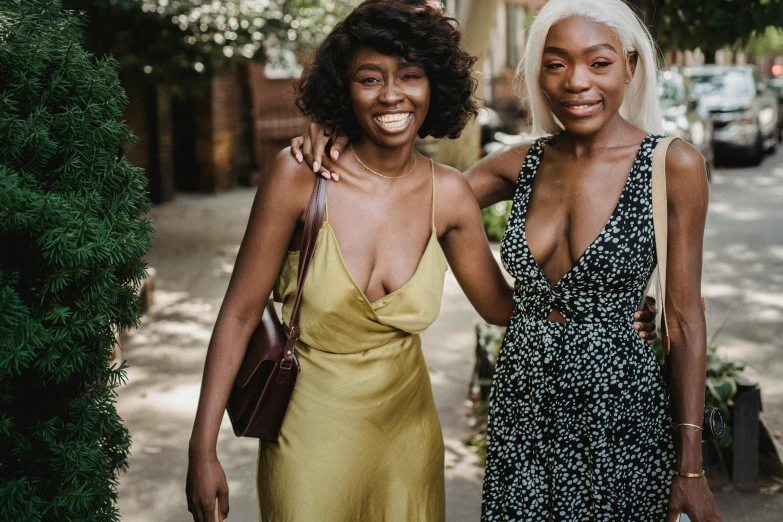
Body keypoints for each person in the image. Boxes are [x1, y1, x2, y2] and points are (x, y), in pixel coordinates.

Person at [291, 0, 718, 520]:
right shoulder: (520, 163)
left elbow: (686, 318)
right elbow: (408, 196)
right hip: (523, 398)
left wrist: (690, 466)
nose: (576, 81)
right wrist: (332, 126)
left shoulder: (672, 164)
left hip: (620, 406)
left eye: (599, 63)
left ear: (630, 65)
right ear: (539, 74)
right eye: (556, 63)